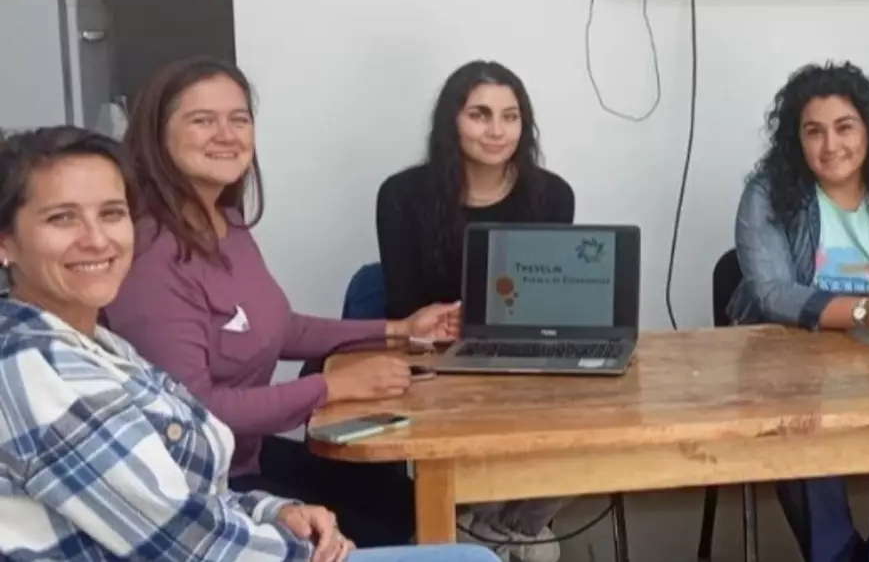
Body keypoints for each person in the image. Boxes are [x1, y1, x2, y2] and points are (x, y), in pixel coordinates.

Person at [0, 125, 499, 562]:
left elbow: (181, 491)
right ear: (6, 241)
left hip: (233, 507)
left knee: (410, 514)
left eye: (111, 213)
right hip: (223, 541)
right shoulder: (34, 369)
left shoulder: (97, 340)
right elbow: (189, 546)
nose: (96, 239)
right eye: (61, 218)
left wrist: (271, 511)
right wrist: (302, 543)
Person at [102, 58, 458, 549]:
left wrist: (401, 330)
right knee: (388, 531)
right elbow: (194, 409)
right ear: (156, 135)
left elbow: (279, 327)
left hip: (245, 455)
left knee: (399, 499)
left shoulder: (226, 220)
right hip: (201, 488)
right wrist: (331, 387)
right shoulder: (151, 255)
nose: (226, 134)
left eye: (239, 119)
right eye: (202, 120)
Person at [726, 61, 869, 562]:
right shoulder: (766, 194)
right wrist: (864, 312)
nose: (831, 145)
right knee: (797, 433)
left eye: (844, 127)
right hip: (795, 365)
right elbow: (770, 292)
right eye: (814, 131)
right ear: (796, 140)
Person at [375, 60, 573, 561]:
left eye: (511, 116)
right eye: (480, 115)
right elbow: (403, 308)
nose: (496, 130)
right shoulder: (401, 196)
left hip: (525, 369)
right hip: (437, 368)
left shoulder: (553, 195)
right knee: (540, 547)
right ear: (452, 121)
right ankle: (501, 534)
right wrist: (443, 323)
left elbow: (550, 299)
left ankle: (483, 532)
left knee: (590, 436)